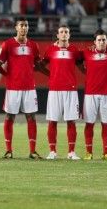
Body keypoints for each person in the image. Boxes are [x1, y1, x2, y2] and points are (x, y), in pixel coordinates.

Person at [0, 17, 42, 159]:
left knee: (31, 117)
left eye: (26, 25)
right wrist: (7, 74)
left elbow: (37, 65)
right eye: (21, 25)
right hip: (13, 88)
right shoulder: (8, 44)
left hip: (29, 88)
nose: (24, 28)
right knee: (10, 117)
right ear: (16, 27)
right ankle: (8, 150)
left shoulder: (33, 45)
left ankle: (32, 151)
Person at [39, 25, 82, 160]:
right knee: (53, 121)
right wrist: (51, 75)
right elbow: (41, 65)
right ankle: (52, 151)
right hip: (54, 90)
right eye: (61, 32)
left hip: (71, 90)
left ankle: (71, 152)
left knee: (71, 121)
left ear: (69, 35)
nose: (64, 34)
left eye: (66, 32)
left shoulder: (75, 50)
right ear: (57, 35)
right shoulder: (50, 49)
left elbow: (83, 67)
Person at [81, 29, 107, 161]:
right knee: (89, 124)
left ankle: (106, 153)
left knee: (106, 124)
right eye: (99, 40)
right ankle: (89, 152)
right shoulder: (86, 52)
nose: (101, 42)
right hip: (90, 95)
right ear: (94, 42)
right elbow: (76, 60)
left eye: (104, 40)